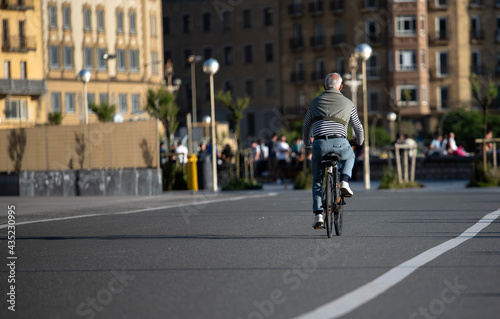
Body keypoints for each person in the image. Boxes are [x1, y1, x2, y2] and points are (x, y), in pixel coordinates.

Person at [303, 72, 364, 229]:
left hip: (319, 145)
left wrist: (306, 143)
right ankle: (344, 181)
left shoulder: (314, 102)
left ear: (324, 86)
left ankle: (318, 215)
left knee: (317, 179)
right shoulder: (348, 103)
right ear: (341, 87)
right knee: (350, 157)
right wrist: (360, 142)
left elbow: (306, 126)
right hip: (340, 143)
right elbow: (358, 126)